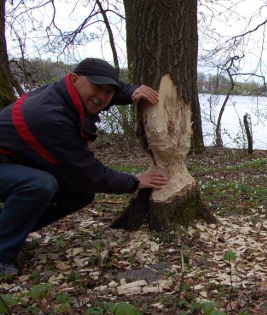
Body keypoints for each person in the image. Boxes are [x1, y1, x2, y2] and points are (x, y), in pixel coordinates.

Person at [0, 58, 168, 276]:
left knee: (80, 193)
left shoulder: (65, 93)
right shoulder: (50, 116)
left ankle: (8, 229)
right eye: (97, 88)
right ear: (74, 79)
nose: (102, 97)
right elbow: (87, 172)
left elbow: (106, 92)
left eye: (108, 91)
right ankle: (2, 253)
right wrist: (134, 182)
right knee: (39, 185)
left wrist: (132, 91)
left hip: (14, 160)